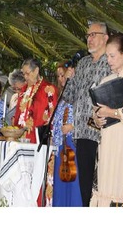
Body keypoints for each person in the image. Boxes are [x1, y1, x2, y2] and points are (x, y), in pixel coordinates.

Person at [60, 22, 112, 206]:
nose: (89, 39)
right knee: (84, 184)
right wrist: (68, 79)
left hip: (102, 132)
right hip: (82, 132)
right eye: (88, 36)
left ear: (105, 38)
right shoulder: (82, 63)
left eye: (93, 35)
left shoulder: (111, 62)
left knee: (101, 183)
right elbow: (69, 96)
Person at [90, 33, 123, 206]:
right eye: (107, 56)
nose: (109, 60)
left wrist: (111, 112)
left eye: (112, 56)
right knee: (105, 183)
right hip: (108, 140)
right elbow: (96, 109)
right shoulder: (107, 79)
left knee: (122, 185)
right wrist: (97, 118)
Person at [51, 61, 81, 207]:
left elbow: (86, 117)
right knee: (61, 180)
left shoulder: (78, 93)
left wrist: (72, 126)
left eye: (63, 75)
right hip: (59, 144)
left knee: (72, 180)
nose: (61, 79)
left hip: (71, 142)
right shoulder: (61, 97)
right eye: (58, 76)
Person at [13, 58, 57, 143]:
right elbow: (18, 114)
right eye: (23, 74)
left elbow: (53, 116)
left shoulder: (48, 89)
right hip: (20, 138)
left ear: (36, 70)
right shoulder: (23, 90)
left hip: (39, 138)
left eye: (27, 73)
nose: (25, 77)